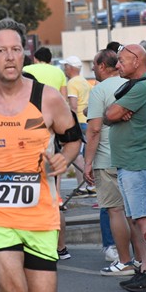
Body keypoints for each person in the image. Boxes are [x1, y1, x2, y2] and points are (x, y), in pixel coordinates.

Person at [0, 18, 81, 292]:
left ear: (24, 54)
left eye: (16, 49)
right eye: (1, 51)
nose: (10, 56)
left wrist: (63, 159)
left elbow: (73, 140)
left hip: (40, 216)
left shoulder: (48, 99)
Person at [104, 44, 146, 292]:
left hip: (138, 163)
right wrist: (112, 113)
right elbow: (110, 114)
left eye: (122, 61)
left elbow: (111, 112)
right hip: (129, 163)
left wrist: (114, 113)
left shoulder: (143, 87)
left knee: (145, 219)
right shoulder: (135, 86)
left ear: (137, 61)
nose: (117, 66)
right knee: (138, 219)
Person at [82, 49, 133, 276]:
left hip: (106, 158)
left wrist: (87, 162)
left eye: (94, 65)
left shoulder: (99, 90)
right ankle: (145, 259)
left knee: (115, 211)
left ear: (103, 65)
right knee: (136, 212)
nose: (93, 69)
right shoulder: (134, 85)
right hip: (133, 156)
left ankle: (124, 261)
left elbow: (93, 130)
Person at [60, 55, 93, 197]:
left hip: (78, 121)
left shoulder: (72, 83)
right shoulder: (84, 81)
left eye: (65, 66)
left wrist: (69, 122)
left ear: (70, 68)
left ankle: (85, 185)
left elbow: (73, 105)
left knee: (76, 154)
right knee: (85, 156)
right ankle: (87, 185)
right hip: (87, 120)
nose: (64, 69)